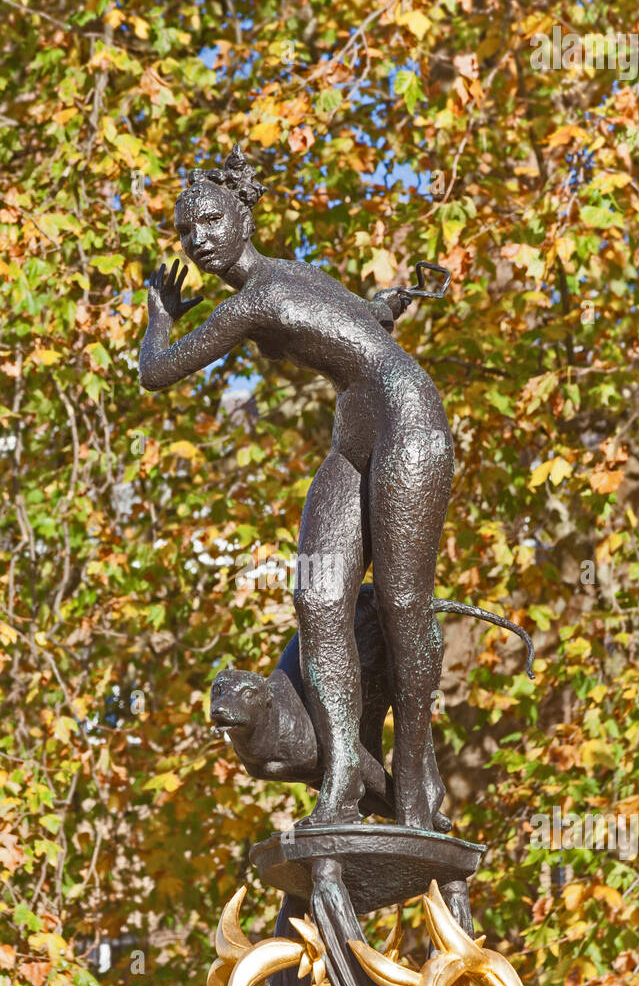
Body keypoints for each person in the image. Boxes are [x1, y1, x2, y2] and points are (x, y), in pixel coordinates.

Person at [139, 147, 453, 832]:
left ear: (245, 218)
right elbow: (361, 325)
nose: (200, 241)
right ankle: (341, 775)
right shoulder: (289, 276)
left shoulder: (256, 299)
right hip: (355, 433)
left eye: (213, 221)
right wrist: (386, 308)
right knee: (315, 595)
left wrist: (158, 310)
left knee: (403, 606)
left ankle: (417, 776)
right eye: (188, 232)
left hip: (407, 419)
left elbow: (158, 372)